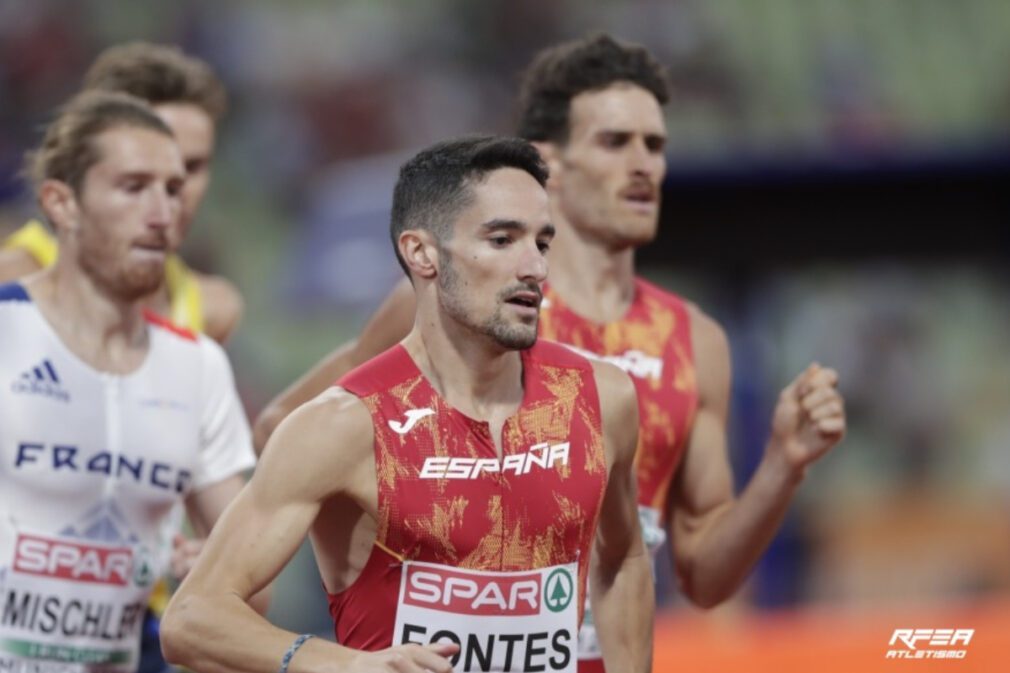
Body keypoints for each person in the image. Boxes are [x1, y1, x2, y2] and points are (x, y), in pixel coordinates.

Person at [251, 33, 847, 671]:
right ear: (549, 163)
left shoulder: (694, 341)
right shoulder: (461, 303)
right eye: (615, 142)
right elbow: (285, 433)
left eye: (656, 145)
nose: (643, 164)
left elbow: (703, 577)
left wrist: (783, 467)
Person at [161, 136, 653, 673]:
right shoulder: (344, 426)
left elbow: (623, 557)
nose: (534, 267)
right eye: (503, 239)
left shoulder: (600, 398)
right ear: (421, 253)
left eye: (541, 243)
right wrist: (346, 665)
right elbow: (192, 617)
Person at [0, 91, 258, 673]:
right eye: (133, 187)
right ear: (61, 204)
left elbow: (251, 586)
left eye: (172, 188)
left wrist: (211, 577)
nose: (164, 213)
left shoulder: (197, 367)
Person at [0, 42, 242, 343]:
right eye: (142, 173)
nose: (172, 189)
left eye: (192, 167)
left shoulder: (213, 311)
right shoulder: (11, 279)